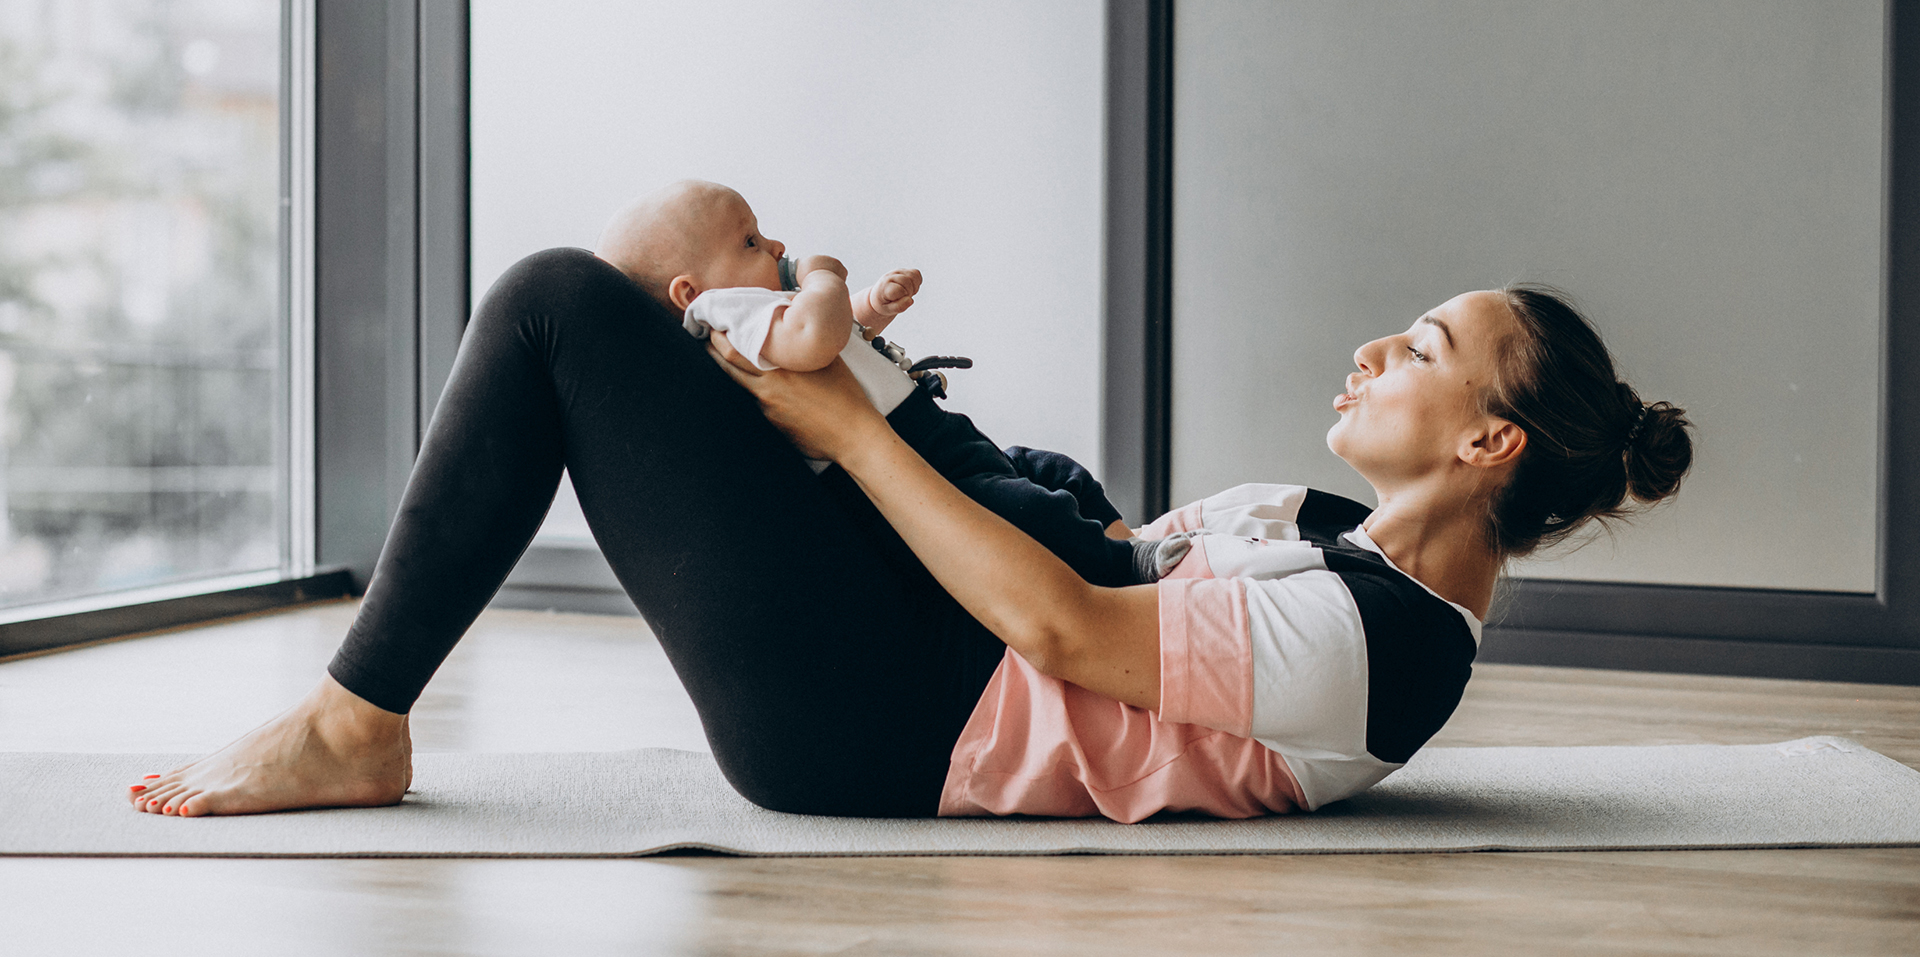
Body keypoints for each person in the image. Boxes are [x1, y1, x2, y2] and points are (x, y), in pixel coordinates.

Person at [124, 243, 1692, 821]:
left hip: (882, 725)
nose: (1372, 350)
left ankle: (353, 720)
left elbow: (1066, 630)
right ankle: (790, 329)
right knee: (675, 328)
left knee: (553, 308)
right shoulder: (1325, 532)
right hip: (926, 659)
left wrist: (857, 430)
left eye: (1418, 348)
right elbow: (1094, 545)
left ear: (1491, 441)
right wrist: (856, 400)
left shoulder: (1379, 645)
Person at [593, 179, 1173, 587]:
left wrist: (871, 304)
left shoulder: (764, 313)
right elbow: (817, 339)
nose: (776, 248)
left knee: (1048, 473)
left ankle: (1124, 542)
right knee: (1020, 510)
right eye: (749, 242)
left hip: (930, 436)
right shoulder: (726, 313)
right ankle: (1124, 570)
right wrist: (824, 275)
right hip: (899, 462)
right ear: (689, 294)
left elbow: (842, 337)